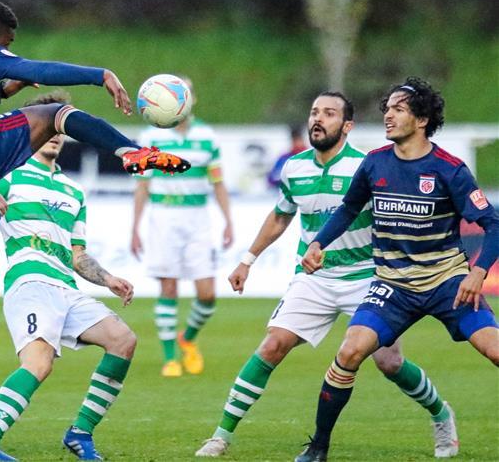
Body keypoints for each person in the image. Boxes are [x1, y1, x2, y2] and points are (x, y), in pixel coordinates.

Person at [0, 0, 188, 410]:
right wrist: (99, 75)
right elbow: (35, 70)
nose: (6, 49)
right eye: (7, 42)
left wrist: (3, 92)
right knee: (56, 114)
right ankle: (131, 153)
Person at [195, 91, 457, 458]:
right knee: (272, 345)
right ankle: (220, 436)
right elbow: (281, 216)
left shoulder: (366, 166)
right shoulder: (294, 167)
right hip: (314, 278)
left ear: (347, 126)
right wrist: (248, 259)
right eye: (314, 112)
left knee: (389, 362)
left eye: (329, 113)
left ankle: (441, 413)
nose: (318, 119)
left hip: (367, 276)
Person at [296, 78, 499, 462]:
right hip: (393, 286)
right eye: (387, 108)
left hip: (448, 283)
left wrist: (478, 272)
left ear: (421, 120)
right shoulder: (375, 163)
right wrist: (318, 243)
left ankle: (443, 419)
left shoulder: (449, 170)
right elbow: (348, 209)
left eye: (398, 109)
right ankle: (318, 446)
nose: (388, 115)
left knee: (495, 350)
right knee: (350, 351)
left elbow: (494, 224)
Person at [0, 92, 137, 461]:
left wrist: (107, 278)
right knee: (39, 364)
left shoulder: (74, 191)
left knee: (123, 340)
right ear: (35, 130)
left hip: (66, 288)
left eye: (60, 130)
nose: (55, 136)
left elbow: (77, 255)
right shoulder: (9, 176)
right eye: (49, 128)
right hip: (30, 284)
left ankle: (80, 433)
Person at [130, 76, 233, 377]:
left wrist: (228, 221)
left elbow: (218, 182)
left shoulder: (207, 136)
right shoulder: (151, 136)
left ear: (191, 99)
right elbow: (141, 186)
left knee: (207, 294)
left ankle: (187, 338)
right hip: (163, 216)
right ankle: (170, 359)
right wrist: (134, 227)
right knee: (168, 286)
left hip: (198, 217)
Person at [266, 123, 306, 188]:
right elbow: (272, 178)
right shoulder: (284, 158)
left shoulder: (312, 156)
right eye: (294, 140)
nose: (297, 143)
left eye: (298, 140)